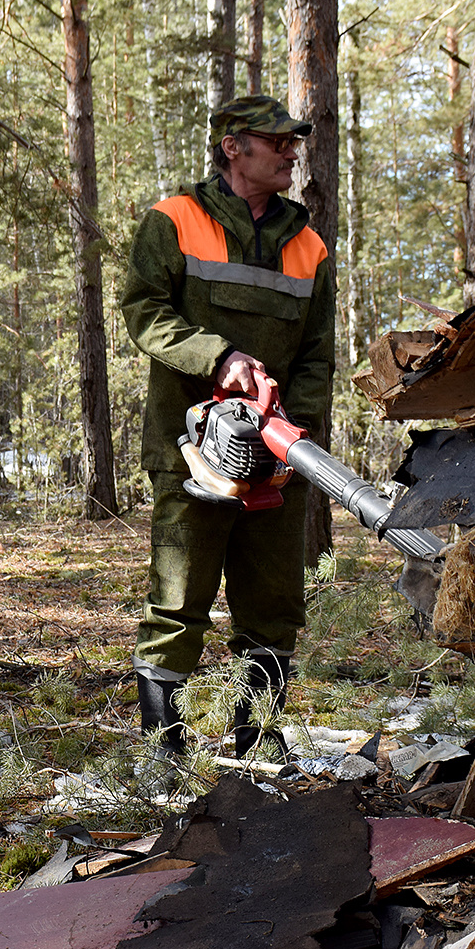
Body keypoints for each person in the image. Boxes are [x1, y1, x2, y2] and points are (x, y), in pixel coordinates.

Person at [119, 94, 335, 763]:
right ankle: (166, 758)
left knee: (273, 608)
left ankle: (258, 750)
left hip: (278, 455)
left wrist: (287, 433)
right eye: (278, 142)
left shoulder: (309, 245)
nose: (292, 153)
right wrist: (220, 358)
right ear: (234, 146)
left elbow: (318, 353)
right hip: (192, 452)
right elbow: (145, 314)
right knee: (178, 602)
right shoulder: (174, 220)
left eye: (295, 142)